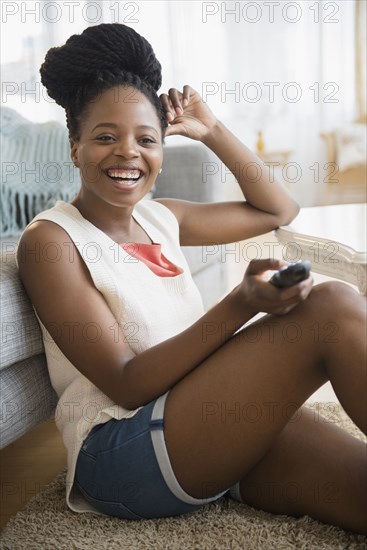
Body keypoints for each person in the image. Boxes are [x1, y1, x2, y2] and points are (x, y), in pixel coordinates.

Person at [17, 23, 366, 533]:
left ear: (162, 150)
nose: (127, 152)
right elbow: (126, 383)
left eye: (146, 139)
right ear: (74, 147)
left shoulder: (163, 217)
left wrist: (213, 130)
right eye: (105, 137)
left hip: (198, 427)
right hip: (122, 453)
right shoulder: (51, 241)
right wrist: (242, 303)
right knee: (333, 306)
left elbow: (278, 209)